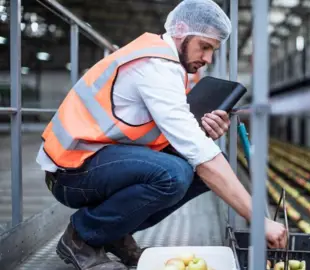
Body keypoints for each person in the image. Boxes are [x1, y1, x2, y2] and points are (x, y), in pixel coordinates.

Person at [36, 0, 287, 269]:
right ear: (180, 30)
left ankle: (112, 234)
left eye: (213, 50)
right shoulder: (154, 65)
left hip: (95, 161)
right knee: (174, 174)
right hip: (70, 172)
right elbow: (199, 154)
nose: (207, 59)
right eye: (204, 46)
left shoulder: (166, 63)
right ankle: (82, 237)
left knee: (199, 168)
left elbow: (156, 131)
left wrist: (200, 130)